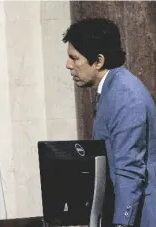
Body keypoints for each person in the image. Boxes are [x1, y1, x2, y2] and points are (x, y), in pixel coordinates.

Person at [62, 18, 156, 227]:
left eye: (74, 58)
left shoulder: (125, 96)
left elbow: (129, 171)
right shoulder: (112, 89)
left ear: (99, 61)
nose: (68, 65)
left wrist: (121, 224)